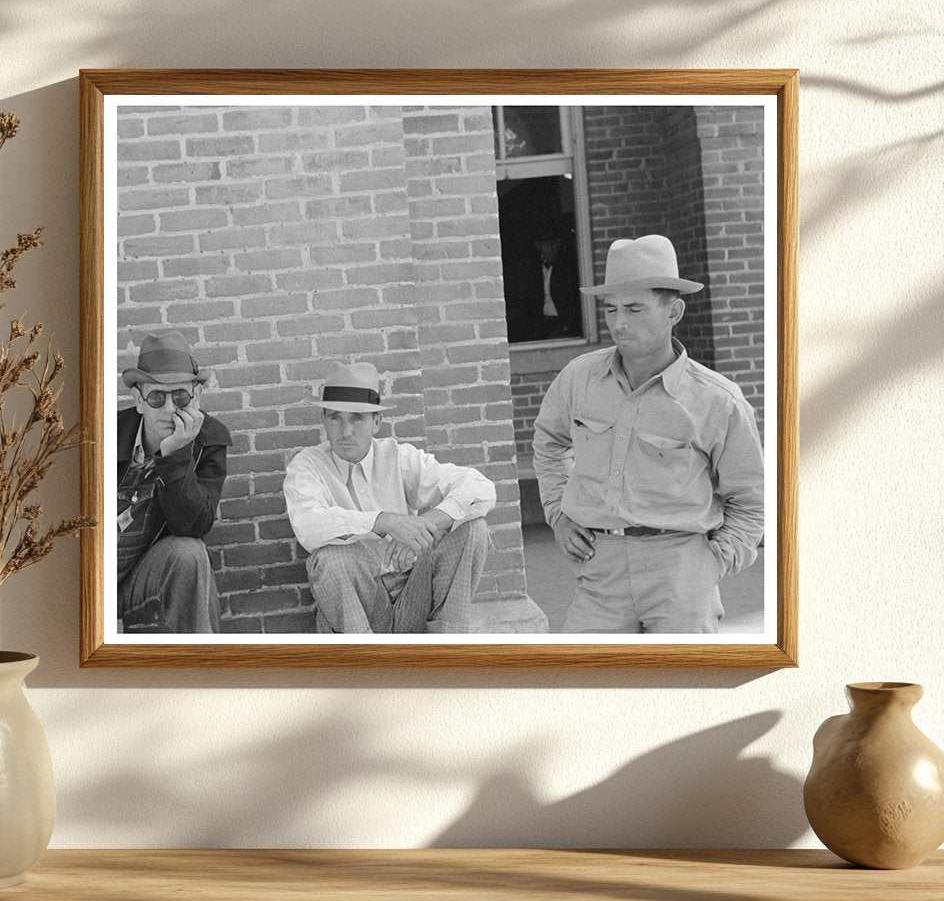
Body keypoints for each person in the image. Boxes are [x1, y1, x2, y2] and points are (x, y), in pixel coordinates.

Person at [532, 234, 764, 634]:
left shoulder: (716, 400)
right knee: (583, 687)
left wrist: (713, 562)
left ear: (674, 310)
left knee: (683, 692)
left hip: (681, 573)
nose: (619, 323)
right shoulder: (579, 379)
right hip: (597, 575)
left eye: (635, 309)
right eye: (611, 310)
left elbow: (752, 501)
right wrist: (559, 515)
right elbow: (549, 443)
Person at [283, 362, 496, 634]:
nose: (345, 431)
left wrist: (423, 527)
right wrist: (385, 522)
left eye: (357, 418)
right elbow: (308, 526)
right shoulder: (308, 465)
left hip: (414, 594)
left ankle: (447, 653)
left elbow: (480, 488)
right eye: (335, 417)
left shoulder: (399, 457)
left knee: (473, 529)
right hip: (359, 610)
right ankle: (371, 669)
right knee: (330, 560)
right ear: (324, 420)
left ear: (377, 422)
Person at [117, 331, 231, 634]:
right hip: (89, 579)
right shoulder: (106, 435)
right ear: (139, 400)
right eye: (157, 397)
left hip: (142, 581)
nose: (170, 409)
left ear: (197, 396)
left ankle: (201, 670)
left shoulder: (210, 441)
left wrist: (175, 455)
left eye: (180, 396)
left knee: (190, 553)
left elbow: (193, 527)